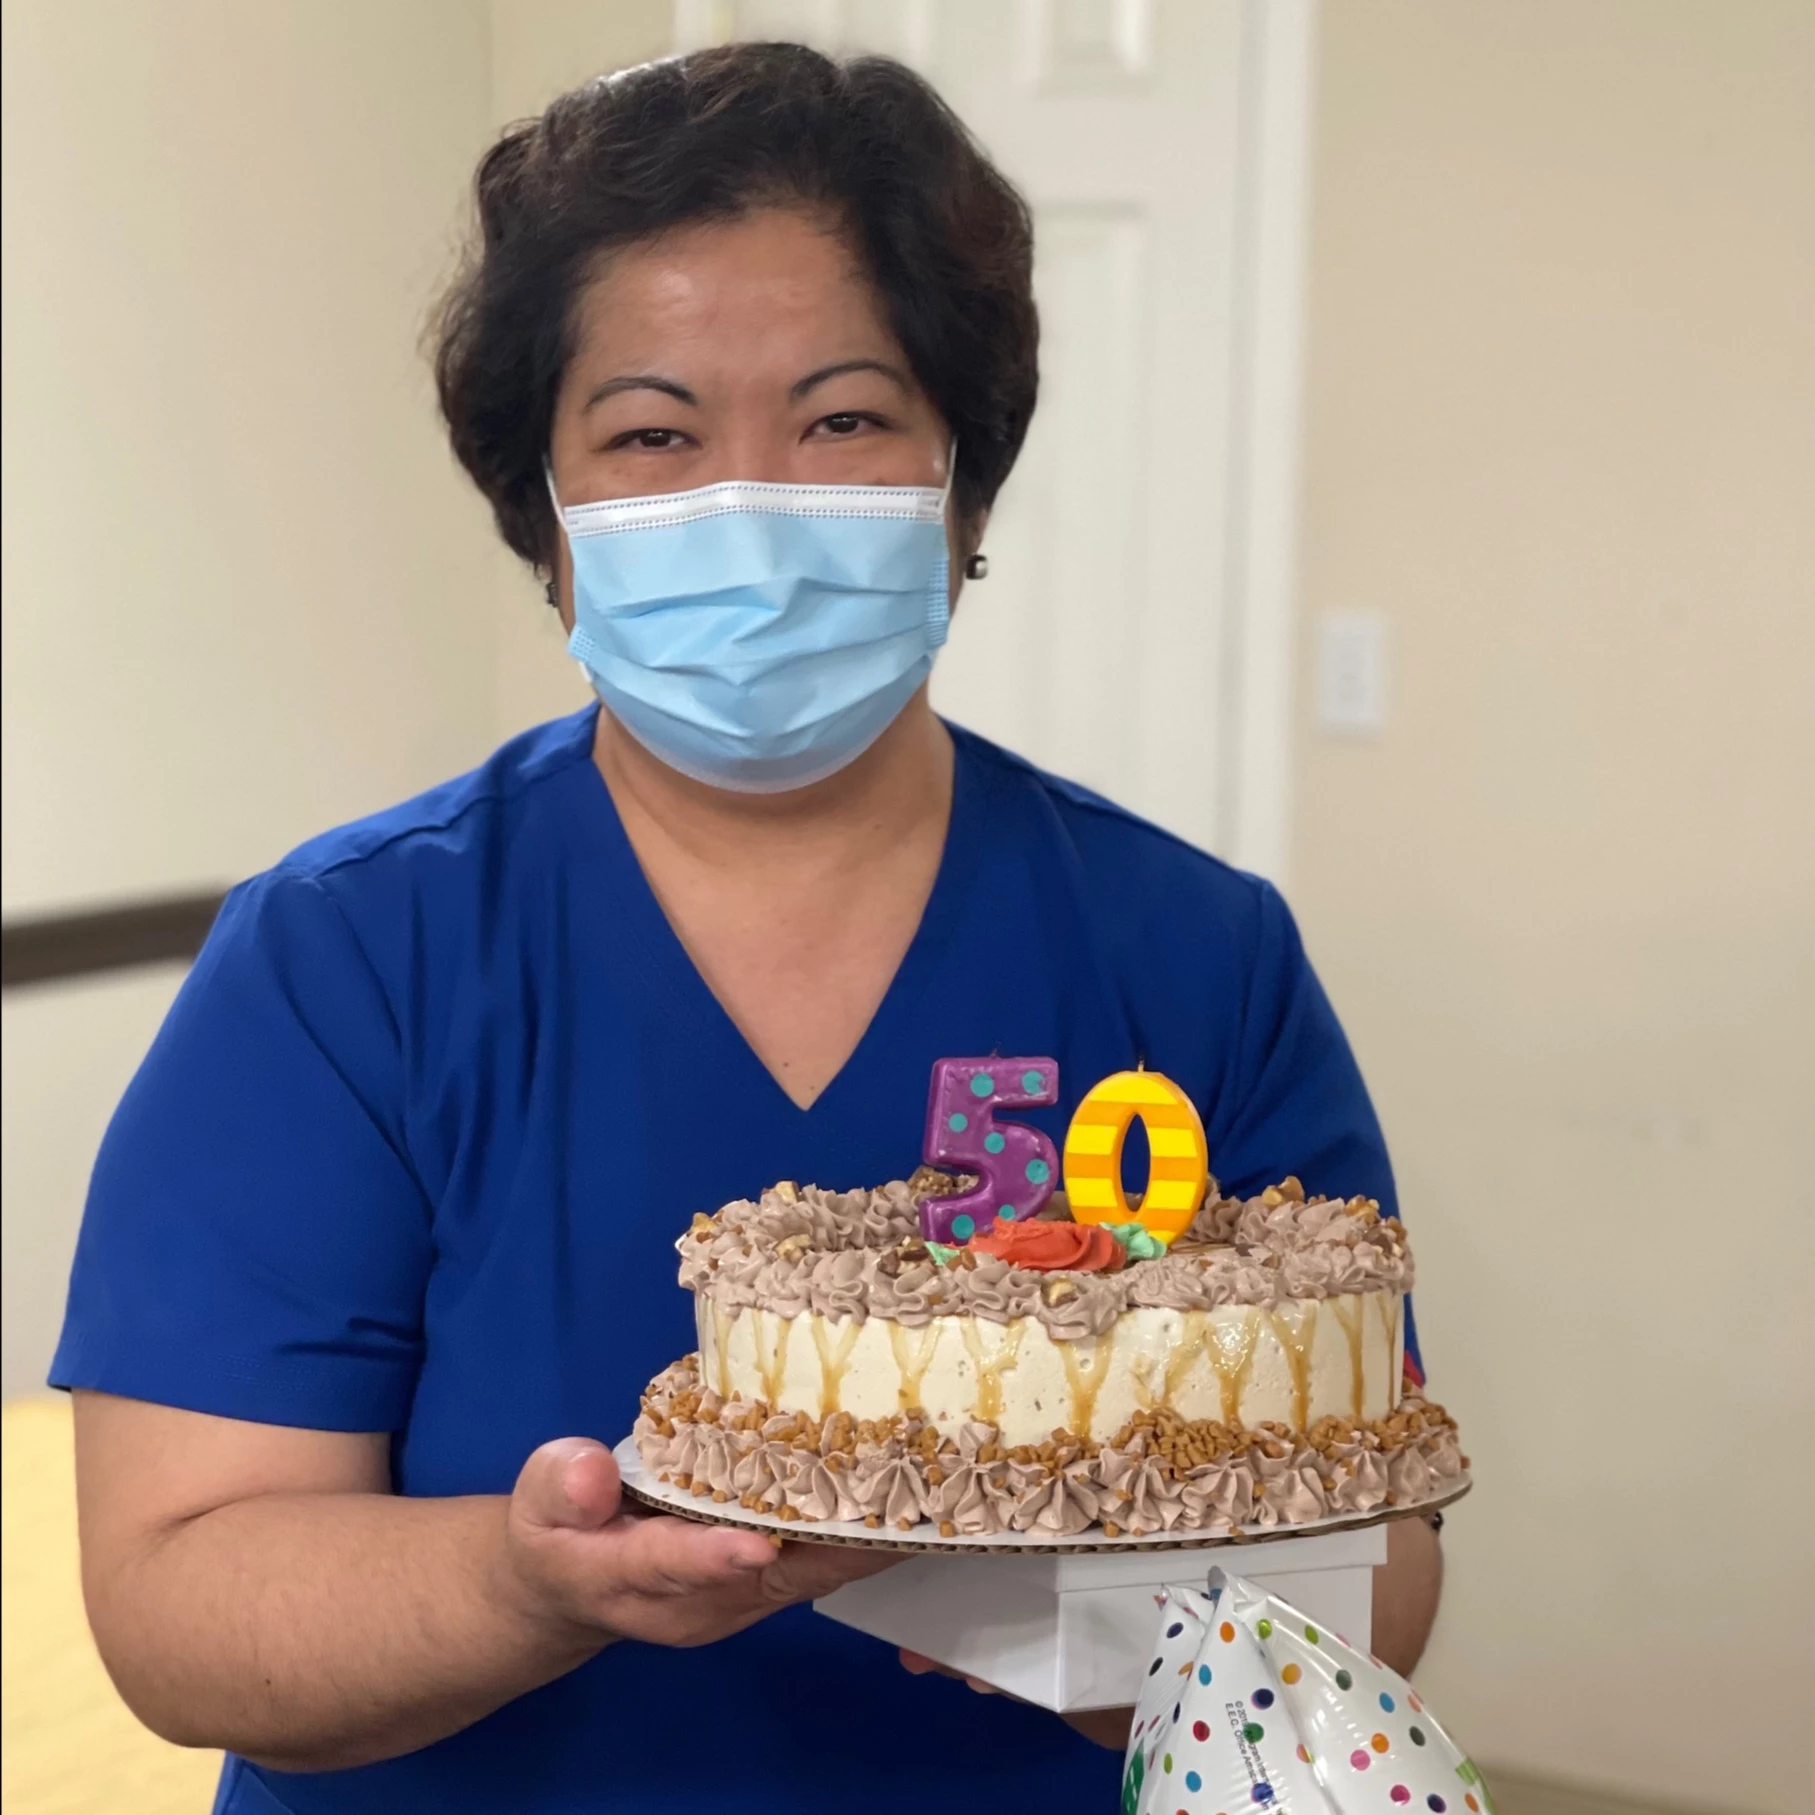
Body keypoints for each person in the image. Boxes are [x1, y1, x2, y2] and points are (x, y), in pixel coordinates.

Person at [54, 42, 1441, 1815]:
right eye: (649, 434)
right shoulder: (348, 963)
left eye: (844, 417)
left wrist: (1064, 1594)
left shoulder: (1192, 952)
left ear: (966, 483)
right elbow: (177, 1605)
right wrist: (527, 1579)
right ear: (546, 524)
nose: (756, 504)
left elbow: (1376, 1585)